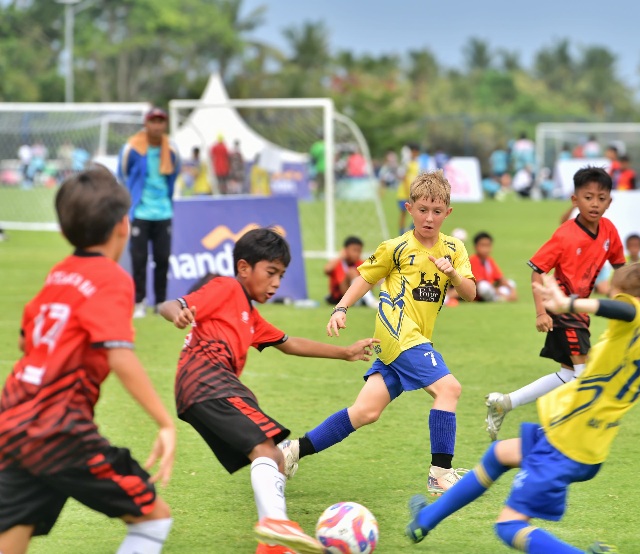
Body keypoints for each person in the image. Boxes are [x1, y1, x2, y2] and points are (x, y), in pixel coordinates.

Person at [407, 194, 640, 553]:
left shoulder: (633, 321)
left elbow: (622, 311)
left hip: (567, 440)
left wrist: (570, 303)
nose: (607, 287)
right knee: (498, 456)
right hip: (589, 443)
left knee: (508, 527)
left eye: (613, 286)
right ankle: (424, 521)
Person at [157, 227, 378, 554]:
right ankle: (275, 524)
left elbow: (290, 344)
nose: (276, 282)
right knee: (269, 451)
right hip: (206, 377)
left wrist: (345, 352)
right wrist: (180, 314)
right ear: (244, 268)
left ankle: (273, 546)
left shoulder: (250, 316)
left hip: (199, 388)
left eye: (281, 275)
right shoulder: (227, 287)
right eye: (271, 273)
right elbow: (169, 304)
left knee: (272, 455)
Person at [0, 166, 176, 554]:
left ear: (64, 232)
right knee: (154, 517)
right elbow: (118, 353)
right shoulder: (111, 278)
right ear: (124, 225)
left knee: (11, 538)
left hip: (11, 422)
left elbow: (25, 340)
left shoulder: (59, 273)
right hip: (58, 430)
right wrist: (165, 423)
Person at [281, 170, 477, 495]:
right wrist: (341, 308)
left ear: (448, 212)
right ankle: (440, 473)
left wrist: (453, 275)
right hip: (401, 337)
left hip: (403, 345)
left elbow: (470, 293)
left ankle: (293, 451)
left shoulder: (454, 249)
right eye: (423, 210)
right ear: (409, 208)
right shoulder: (396, 247)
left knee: (364, 412)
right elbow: (365, 278)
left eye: (437, 211)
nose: (429, 218)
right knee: (450, 389)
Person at [485, 167, 625, 441]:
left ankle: (505, 402)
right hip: (562, 310)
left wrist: (626, 300)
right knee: (585, 375)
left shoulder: (609, 231)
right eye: (588, 197)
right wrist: (540, 312)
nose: (594, 203)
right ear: (575, 200)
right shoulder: (565, 235)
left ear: (609, 201)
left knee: (569, 373)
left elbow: (621, 268)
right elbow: (537, 270)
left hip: (580, 312)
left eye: (601, 197)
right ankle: (559, 430)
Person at [118, 107, 181, 319]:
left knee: (163, 258)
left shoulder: (171, 148)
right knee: (139, 259)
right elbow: (123, 172)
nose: (156, 125)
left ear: (165, 124)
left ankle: (161, 302)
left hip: (163, 211)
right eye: (153, 121)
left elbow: (175, 173)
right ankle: (139, 302)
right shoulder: (133, 147)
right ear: (146, 123)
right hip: (141, 212)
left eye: (160, 121)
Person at [324, 236, 376, 307]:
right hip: (339, 296)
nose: (357, 254)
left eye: (359, 251)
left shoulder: (359, 263)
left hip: (356, 295)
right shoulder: (338, 263)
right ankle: (371, 301)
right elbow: (327, 270)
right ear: (345, 250)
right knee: (352, 272)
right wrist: (340, 256)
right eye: (354, 250)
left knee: (374, 272)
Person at [470, 232, 517, 302]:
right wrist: (497, 291)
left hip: (491, 289)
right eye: (482, 245)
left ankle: (500, 298)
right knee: (484, 286)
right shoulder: (473, 260)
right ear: (475, 247)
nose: (485, 249)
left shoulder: (489, 260)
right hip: (478, 294)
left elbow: (500, 278)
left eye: (488, 245)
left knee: (511, 283)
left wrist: (512, 290)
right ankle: (498, 299)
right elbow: (479, 283)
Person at [397, 144, 421, 235]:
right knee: (403, 213)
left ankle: (410, 230)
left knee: (417, 212)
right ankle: (401, 233)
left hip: (414, 193)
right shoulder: (406, 163)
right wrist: (408, 192)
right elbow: (403, 177)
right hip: (404, 193)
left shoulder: (417, 163)